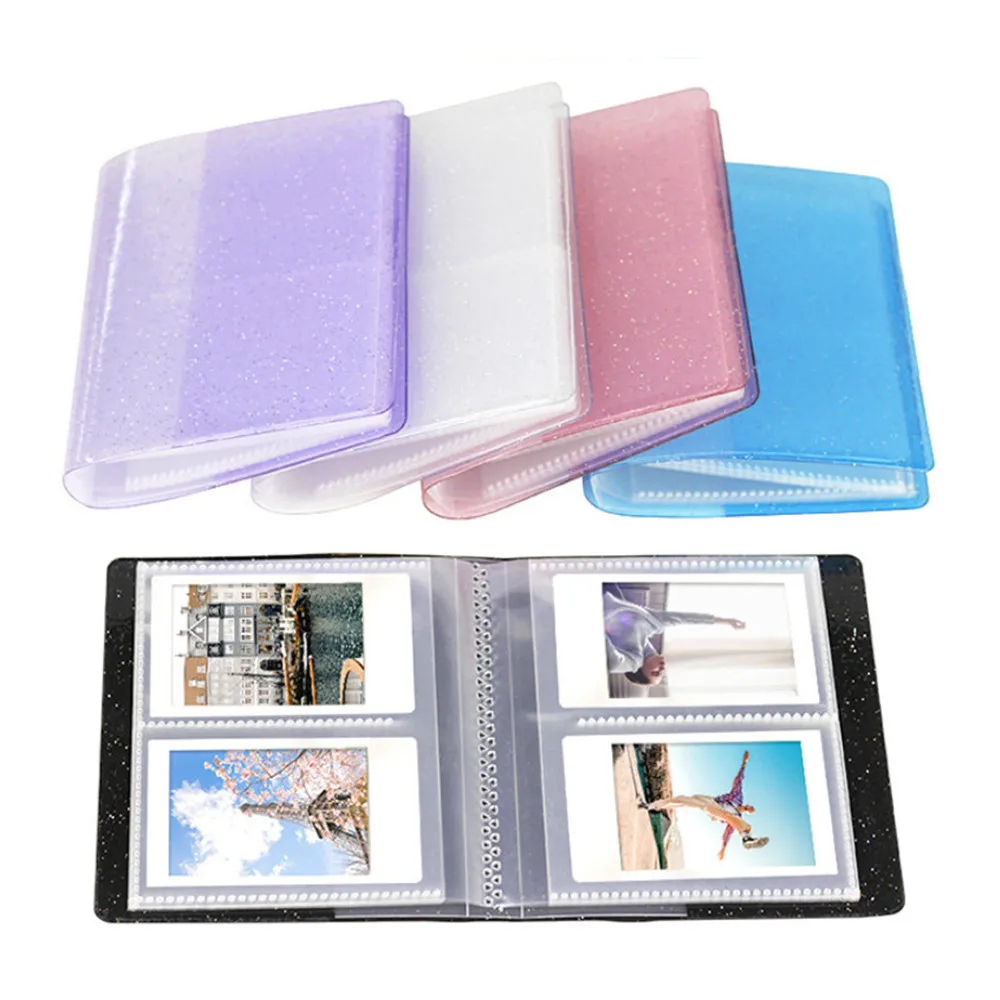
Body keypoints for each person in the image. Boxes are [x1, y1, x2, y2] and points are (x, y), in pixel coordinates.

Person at [604, 587, 746, 687]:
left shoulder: (634, 661)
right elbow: (682, 618)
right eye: (662, 673)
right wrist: (726, 621)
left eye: (655, 673)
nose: (662, 669)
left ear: (640, 670)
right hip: (608, 593)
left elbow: (613, 663)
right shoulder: (652, 625)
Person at [641, 750, 769, 859]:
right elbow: (738, 780)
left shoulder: (737, 817)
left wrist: (723, 849)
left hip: (717, 812)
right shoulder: (738, 797)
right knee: (683, 800)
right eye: (749, 807)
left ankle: (747, 838)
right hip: (711, 801)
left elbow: (728, 834)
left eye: (749, 811)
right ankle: (652, 805)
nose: (747, 809)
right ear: (747, 804)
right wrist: (744, 763)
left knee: (734, 820)